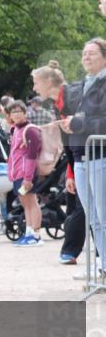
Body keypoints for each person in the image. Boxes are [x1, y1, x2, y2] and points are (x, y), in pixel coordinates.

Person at [61, 37, 106, 273]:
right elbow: (78, 120)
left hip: (100, 156)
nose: (85, 57)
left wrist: (80, 124)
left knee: (104, 217)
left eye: (91, 53)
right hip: (80, 157)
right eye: (83, 52)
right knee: (93, 219)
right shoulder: (81, 85)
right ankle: (104, 267)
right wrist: (71, 125)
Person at [33, 60, 85, 264]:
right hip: (77, 156)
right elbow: (68, 142)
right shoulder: (58, 104)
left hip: (91, 154)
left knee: (83, 206)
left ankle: (75, 252)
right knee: (74, 204)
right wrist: (71, 172)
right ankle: (72, 252)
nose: (35, 88)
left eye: (36, 83)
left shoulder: (73, 96)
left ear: (48, 82)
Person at [5, 100, 43, 247]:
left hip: (26, 174)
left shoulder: (30, 130)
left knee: (32, 202)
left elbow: (31, 156)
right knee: (25, 204)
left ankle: (37, 235)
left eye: (19, 111)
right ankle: (28, 233)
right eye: (13, 112)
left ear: (25, 112)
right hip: (17, 174)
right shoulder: (15, 129)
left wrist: (28, 178)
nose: (16, 114)